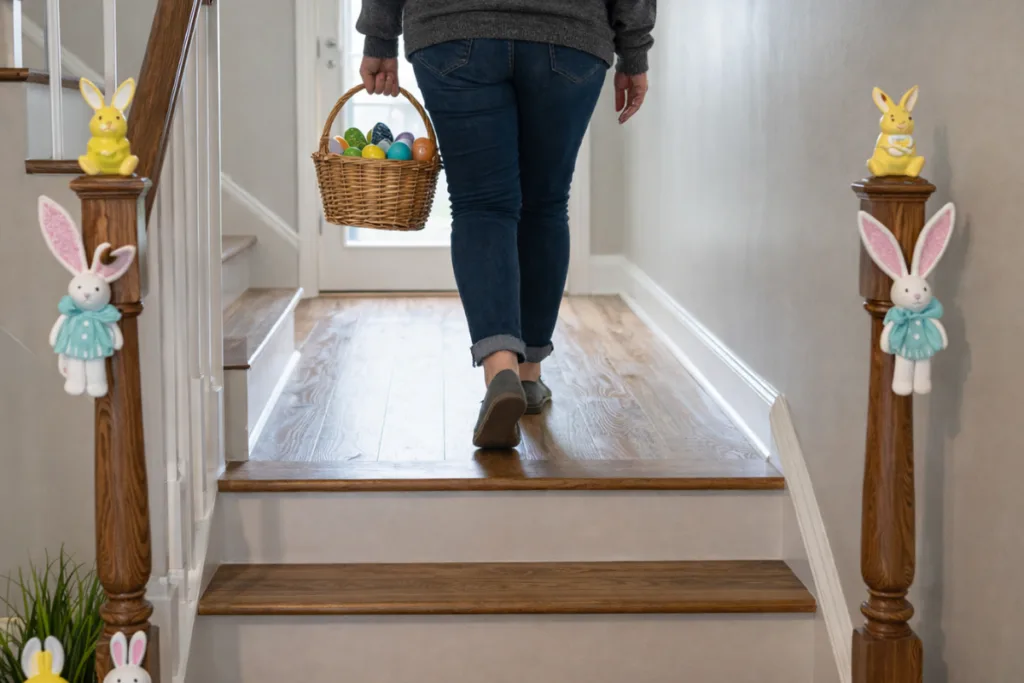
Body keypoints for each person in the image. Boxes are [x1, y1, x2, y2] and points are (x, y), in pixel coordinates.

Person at [357, 1, 655, 449]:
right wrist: (634, 49)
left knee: (481, 206)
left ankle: (501, 371)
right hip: (569, 33)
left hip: (451, 28)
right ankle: (530, 375)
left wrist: (380, 35)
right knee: (546, 205)